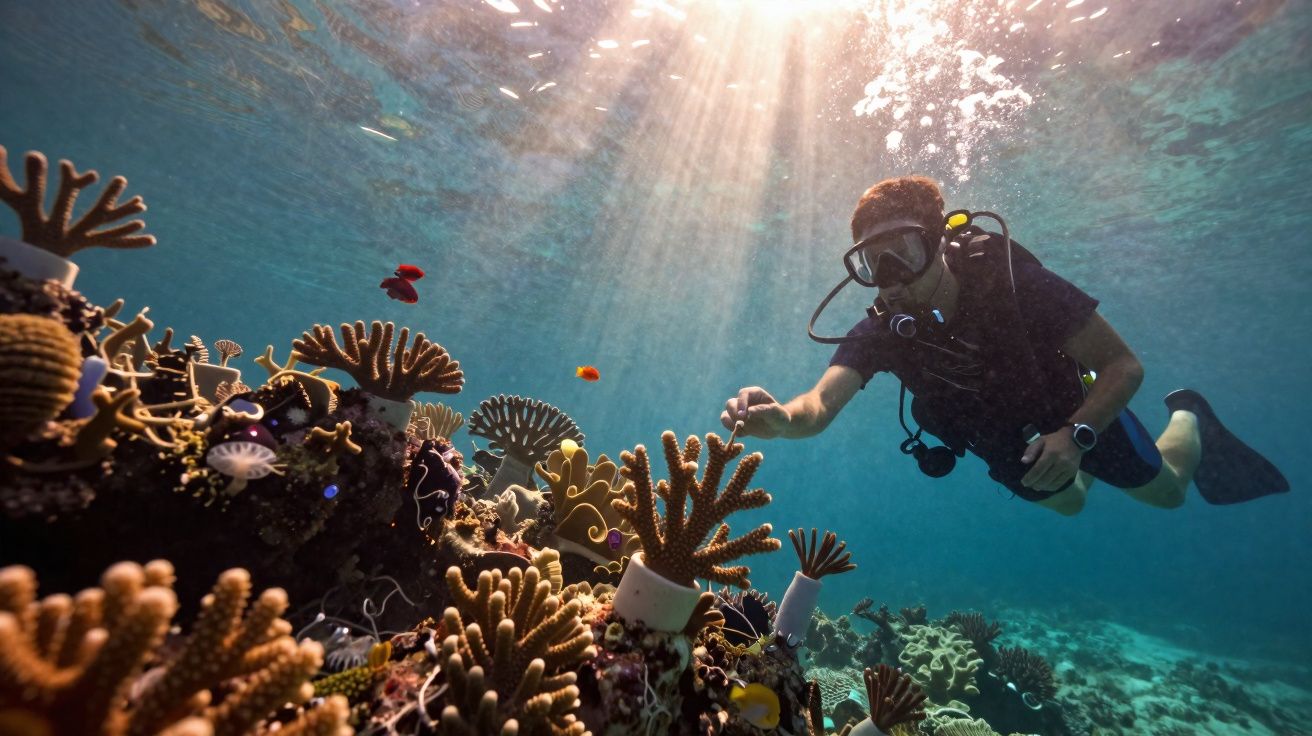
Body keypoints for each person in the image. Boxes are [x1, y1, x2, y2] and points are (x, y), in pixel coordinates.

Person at [720, 176, 1288, 515]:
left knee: (1168, 495)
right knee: (1071, 504)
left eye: (904, 253)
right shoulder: (884, 329)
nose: (890, 275)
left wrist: (1075, 437)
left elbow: (1123, 365)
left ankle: (1188, 411)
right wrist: (783, 421)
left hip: (1079, 414)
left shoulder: (1016, 286)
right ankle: (1070, 465)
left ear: (939, 242)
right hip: (1009, 445)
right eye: (873, 262)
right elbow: (818, 405)